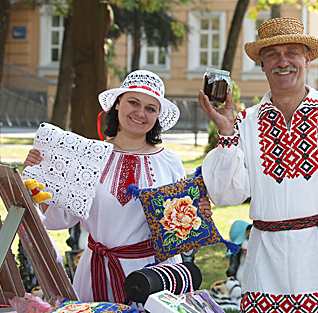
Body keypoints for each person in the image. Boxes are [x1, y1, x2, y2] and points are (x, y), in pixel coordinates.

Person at [198, 17, 318, 313]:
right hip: (266, 261)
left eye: (292, 52)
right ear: (262, 64)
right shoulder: (245, 121)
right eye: (272, 54)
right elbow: (228, 195)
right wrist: (226, 134)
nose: (283, 62)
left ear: (307, 58)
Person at [23, 70, 212, 305]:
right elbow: (59, 220)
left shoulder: (168, 161)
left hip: (151, 275)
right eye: (133, 102)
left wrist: (197, 212)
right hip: (96, 272)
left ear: (157, 117)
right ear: (117, 104)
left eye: (150, 108)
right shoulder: (88, 157)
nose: (140, 113)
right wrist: (39, 179)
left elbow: (179, 226)